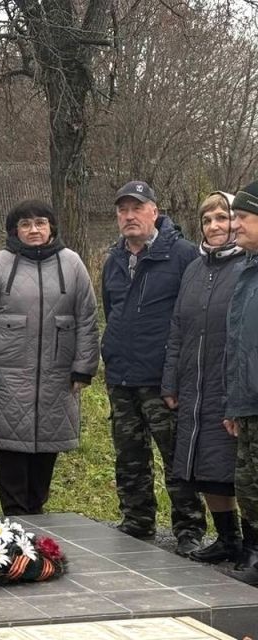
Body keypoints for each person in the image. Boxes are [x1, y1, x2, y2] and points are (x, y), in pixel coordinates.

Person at [0, 200, 99, 516]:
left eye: (40, 222)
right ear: (15, 230)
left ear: (51, 227)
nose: (34, 230)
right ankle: (15, 513)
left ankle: (36, 509)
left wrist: (83, 368)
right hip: (8, 375)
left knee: (48, 445)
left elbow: (87, 317)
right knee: (11, 444)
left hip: (58, 374)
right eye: (25, 224)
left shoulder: (72, 264)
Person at [101, 180, 206, 555]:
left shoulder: (182, 255)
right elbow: (111, 311)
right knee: (129, 456)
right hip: (121, 376)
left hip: (163, 379)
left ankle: (189, 528)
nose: (129, 216)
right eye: (123, 210)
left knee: (176, 457)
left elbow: (192, 317)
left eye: (137, 209)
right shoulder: (113, 259)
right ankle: (137, 519)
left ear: (154, 212)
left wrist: (177, 374)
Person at [161, 192, 247, 564]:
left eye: (223, 218)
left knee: (239, 472)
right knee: (206, 470)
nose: (214, 226)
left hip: (232, 384)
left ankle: (252, 545)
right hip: (194, 385)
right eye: (208, 219)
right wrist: (170, 380)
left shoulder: (248, 265)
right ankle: (227, 538)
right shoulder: (195, 269)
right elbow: (179, 327)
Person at [226, 182, 258, 584]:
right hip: (248, 400)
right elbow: (238, 342)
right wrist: (234, 402)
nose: (235, 226)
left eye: (244, 218)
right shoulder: (247, 270)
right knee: (250, 484)